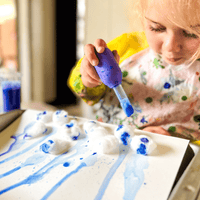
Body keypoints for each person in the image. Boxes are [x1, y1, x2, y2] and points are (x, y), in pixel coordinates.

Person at [68, 0, 200, 144]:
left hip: (174, 158)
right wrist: (90, 79)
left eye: (190, 33)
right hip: (108, 143)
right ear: (143, 19)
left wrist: (177, 141)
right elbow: (86, 92)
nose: (171, 47)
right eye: (157, 28)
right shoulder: (128, 47)